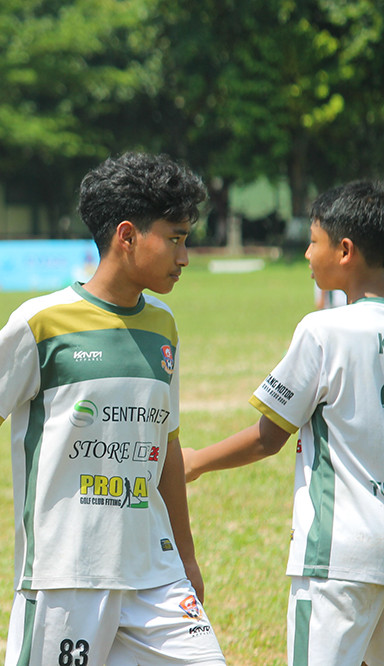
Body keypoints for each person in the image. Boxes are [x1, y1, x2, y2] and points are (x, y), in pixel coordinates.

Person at [0, 152, 226, 665]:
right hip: (67, 576)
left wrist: (187, 559)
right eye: (176, 238)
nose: (184, 257)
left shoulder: (163, 325)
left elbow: (167, 447)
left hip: (156, 575)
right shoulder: (41, 323)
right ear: (127, 235)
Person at [183, 180, 384, 666]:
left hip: (339, 557)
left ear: (345, 250)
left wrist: (194, 462)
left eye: (314, 241)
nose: (308, 253)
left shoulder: (323, 330)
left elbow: (268, 437)